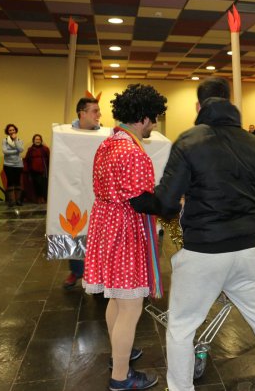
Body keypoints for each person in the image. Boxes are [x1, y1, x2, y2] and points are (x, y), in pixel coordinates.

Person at [134, 77, 255, 391]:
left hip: (203, 252)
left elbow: (167, 203)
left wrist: (140, 200)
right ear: (230, 101)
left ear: (199, 106)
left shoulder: (188, 141)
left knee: (182, 327)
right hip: (246, 250)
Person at [83, 84, 167, 391]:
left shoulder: (109, 144)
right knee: (131, 305)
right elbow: (140, 201)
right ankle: (121, 377)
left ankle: (122, 352)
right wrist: (171, 201)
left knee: (117, 300)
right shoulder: (131, 151)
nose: (154, 125)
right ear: (142, 118)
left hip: (107, 225)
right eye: (154, 119)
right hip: (125, 228)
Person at [63, 97, 102, 289]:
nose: (99, 115)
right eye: (94, 111)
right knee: (75, 228)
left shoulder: (103, 134)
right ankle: (76, 271)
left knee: (97, 232)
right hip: (73, 188)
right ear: (82, 113)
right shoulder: (66, 134)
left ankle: (98, 274)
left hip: (96, 189)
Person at [1, 123, 25, 207]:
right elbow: (5, 151)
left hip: (18, 165)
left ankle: (18, 201)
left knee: (18, 182)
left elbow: (21, 149)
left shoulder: (19, 140)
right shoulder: (4, 140)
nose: (12, 131)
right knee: (10, 182)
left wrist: (15, 140)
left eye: (13, 130)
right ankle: (11, 201)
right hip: (8, 165)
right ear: (7, 131)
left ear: (16, 130)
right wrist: (16, 151)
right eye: (10, 130)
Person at [25, 134, 50, 204]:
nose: (37, 141)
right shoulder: (30, 150)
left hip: (44, 170)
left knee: (44, 185)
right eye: (36, 139)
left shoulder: (45, 149)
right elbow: (27, 160)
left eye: (39, 139)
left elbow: (49, 159)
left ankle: (43, 198)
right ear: (33, 141)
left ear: (41, 140)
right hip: (34, 171)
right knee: (37, 185)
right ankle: (39, 198)